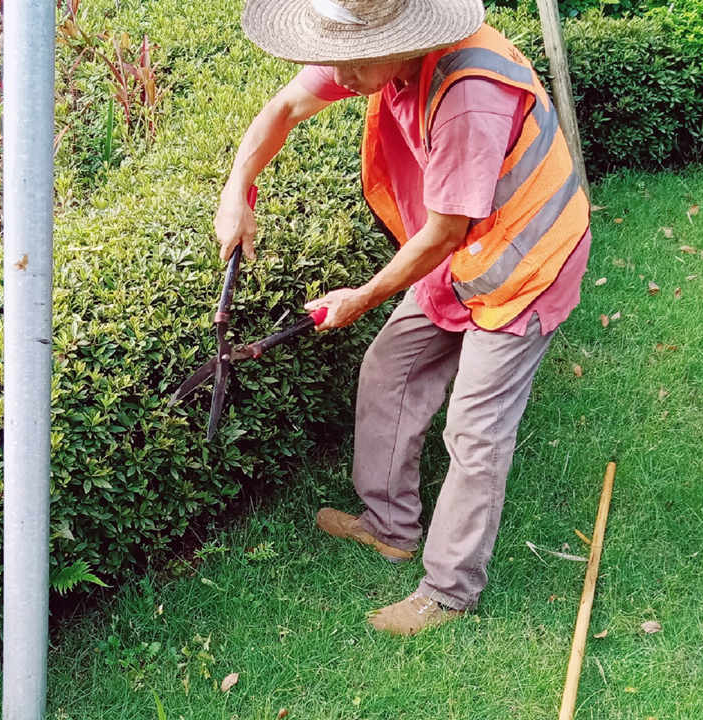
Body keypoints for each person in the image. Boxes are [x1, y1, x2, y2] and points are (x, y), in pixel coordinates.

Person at [214, 0, 591, 635]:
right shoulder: (374, 55)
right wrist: (237, 189)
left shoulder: (469, 95)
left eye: (349, 62)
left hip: (526, 259)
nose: (335, 71)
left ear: (399, 39)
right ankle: (389, 526)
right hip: (467, 244)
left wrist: (361, 296)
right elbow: (284, 108)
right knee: (392, 367)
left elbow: (444, 232)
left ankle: (449, 590)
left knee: (475, 432)